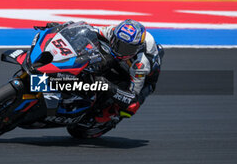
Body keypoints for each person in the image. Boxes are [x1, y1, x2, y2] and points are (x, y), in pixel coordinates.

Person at [35, 19, 164, 124]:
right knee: (96, 59)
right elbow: (89, 29)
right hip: (121, 59)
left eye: (126, 48)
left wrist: (109, 86)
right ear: (114, 36)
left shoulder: (141, 64)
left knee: (130, 107)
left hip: (143, 79)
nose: (121, 49)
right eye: (118, 43)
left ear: (136, 49)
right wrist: (61, 28)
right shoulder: (112, 31)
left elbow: (132, 95)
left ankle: (105, 117)